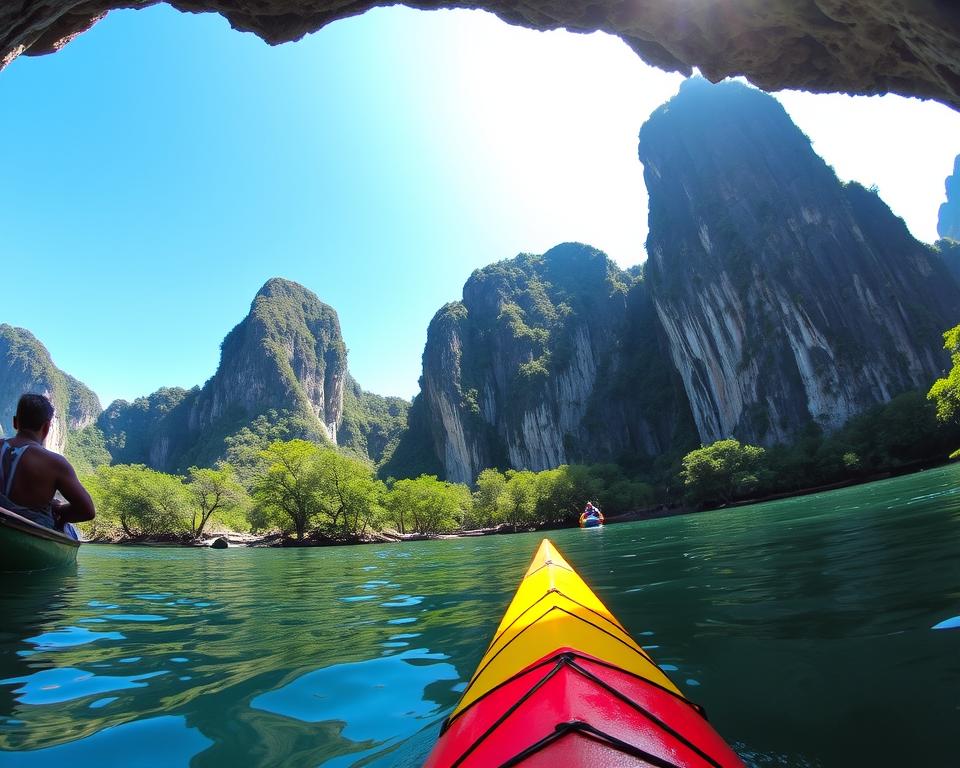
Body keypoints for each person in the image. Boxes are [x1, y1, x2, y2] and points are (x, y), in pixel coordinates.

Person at [0, 393, 95, 532]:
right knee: (70, 530)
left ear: (15, 422)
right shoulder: (56, 463)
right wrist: (60, 510)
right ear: (47, 427)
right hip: (29, 535)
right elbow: (87, 511)